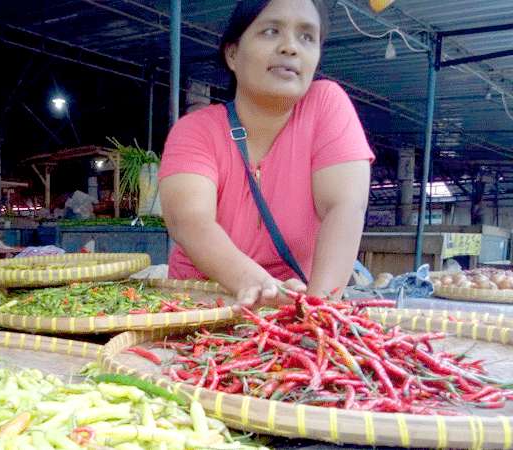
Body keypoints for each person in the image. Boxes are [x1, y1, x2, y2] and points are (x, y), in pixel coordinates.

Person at [159, 0, 374, 308]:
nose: (290, 47)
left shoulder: (326, 105)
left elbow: (345, 207)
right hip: (201, 309)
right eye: (271, 31)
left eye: (306, 37)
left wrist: (320, 313)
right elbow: (190, 221)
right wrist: (254, 282)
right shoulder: (195, 129)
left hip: (292, 310)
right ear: (232, 54)